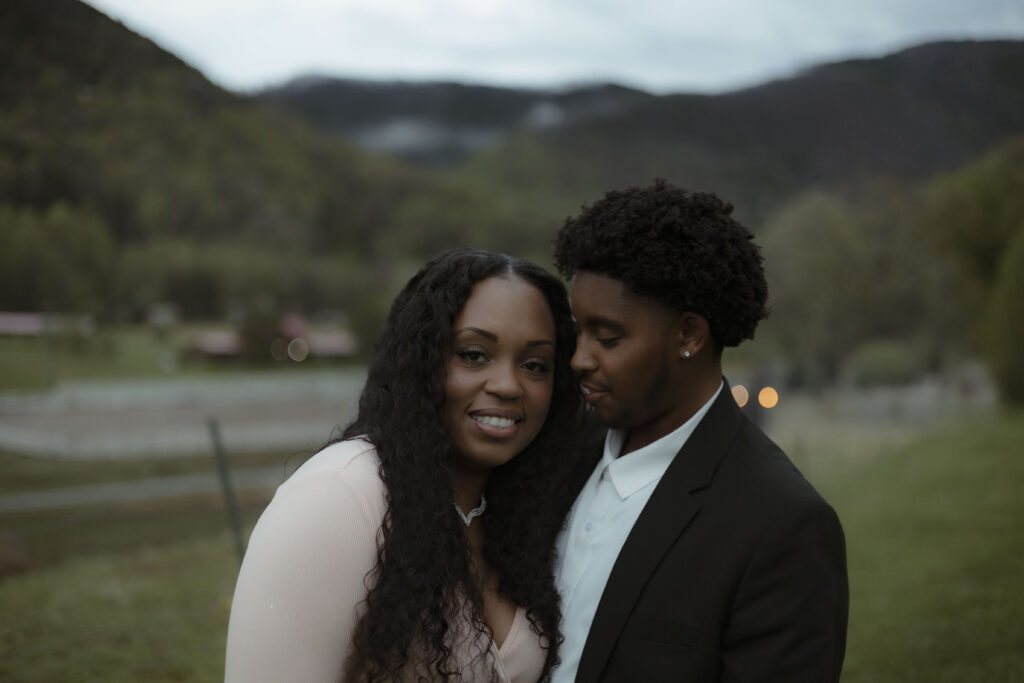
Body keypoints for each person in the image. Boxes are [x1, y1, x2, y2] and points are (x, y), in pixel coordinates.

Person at [225, 248, 582, 682]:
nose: (508, 385)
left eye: (534, 365)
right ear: (420, 361)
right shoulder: (339, 498)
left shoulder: (521, 513)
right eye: (472, 354)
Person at [549, 180, 849, 682]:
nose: (579, 358)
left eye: (608, 337)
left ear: (689, 334)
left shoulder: (782, 524)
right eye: (578, 332)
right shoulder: (558, 452)